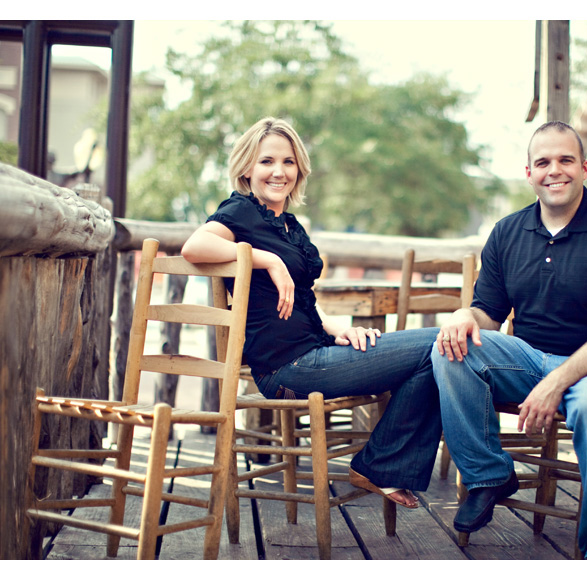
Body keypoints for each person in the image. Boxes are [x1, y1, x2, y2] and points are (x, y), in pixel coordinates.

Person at [182, 117, 442, 508]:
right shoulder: (241, 212)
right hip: (288, 368)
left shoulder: (289, 225)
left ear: (299, 169)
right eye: (267, 161)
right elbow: (194, 247)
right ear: (247, 169)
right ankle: (388, 464)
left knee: (439, 354)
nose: (278, 171)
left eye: (288, 162)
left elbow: (303, 302)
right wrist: (266, 259)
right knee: (440, 342)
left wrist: (338, 328)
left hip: (314, 352)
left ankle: (380, 463)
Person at [431, 121, 587, 559]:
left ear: (585, 167)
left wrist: (556, 383)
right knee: (451, 349)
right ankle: (488, 474)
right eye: (544, 162)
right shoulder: (508, 232)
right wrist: (462, 315)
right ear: (529, 173)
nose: (555, 170)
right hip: (529, 359)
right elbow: (487, 316)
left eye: (566, 160)